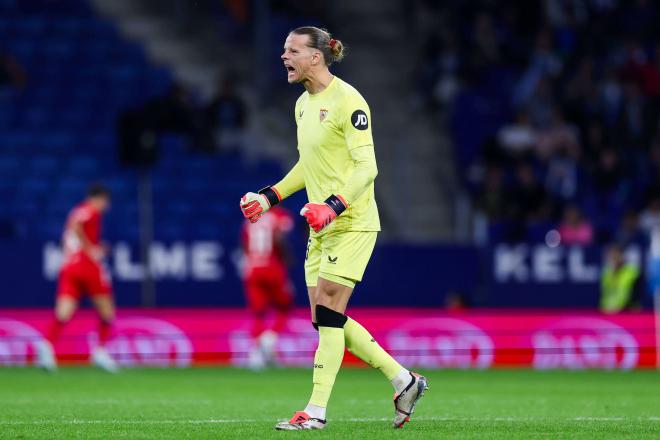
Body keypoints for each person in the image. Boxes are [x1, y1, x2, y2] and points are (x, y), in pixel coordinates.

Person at [239, 26, 428, 430]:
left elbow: (368, 167)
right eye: (282, 49)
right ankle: (404, 379)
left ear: (316, 57)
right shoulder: (302, 105)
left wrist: (334, 205)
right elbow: (309, 166)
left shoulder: (349, 101)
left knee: (327, 314)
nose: (283, 56)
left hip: (352, 222)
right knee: (326, 318)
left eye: (292, 50)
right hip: (320, 225)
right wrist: (268, 197)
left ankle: (316, 412)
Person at [36, 184, 119, 373]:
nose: (106, 206)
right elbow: (76, 225)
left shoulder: (77, 210)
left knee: (64, 311)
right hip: (87, 266)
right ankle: (100, 351)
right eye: (106, 201)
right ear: (100, 198)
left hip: (69, 266)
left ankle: (47, 346)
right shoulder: (89, 210)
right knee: (107, 310)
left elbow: (71, 229)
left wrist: (88, 245)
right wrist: (90, 248)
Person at [240, 206, 295, 369]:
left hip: (252, 267)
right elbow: (278, 238)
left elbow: (244, 243)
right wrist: (286, 259)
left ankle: (257, 354)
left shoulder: (250, 217)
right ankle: (269, 339)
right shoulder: (278, 215)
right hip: (272, 267)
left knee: (258, 313)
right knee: (284, 306)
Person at [600, 244, 644, 313]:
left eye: (615, 255)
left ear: (622, 256)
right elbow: (604, 295)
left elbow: (634, 298)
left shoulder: (632, 273)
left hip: (628, 314)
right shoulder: (606, 274)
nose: (613, 258)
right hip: (608, 313)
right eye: (610, 256)